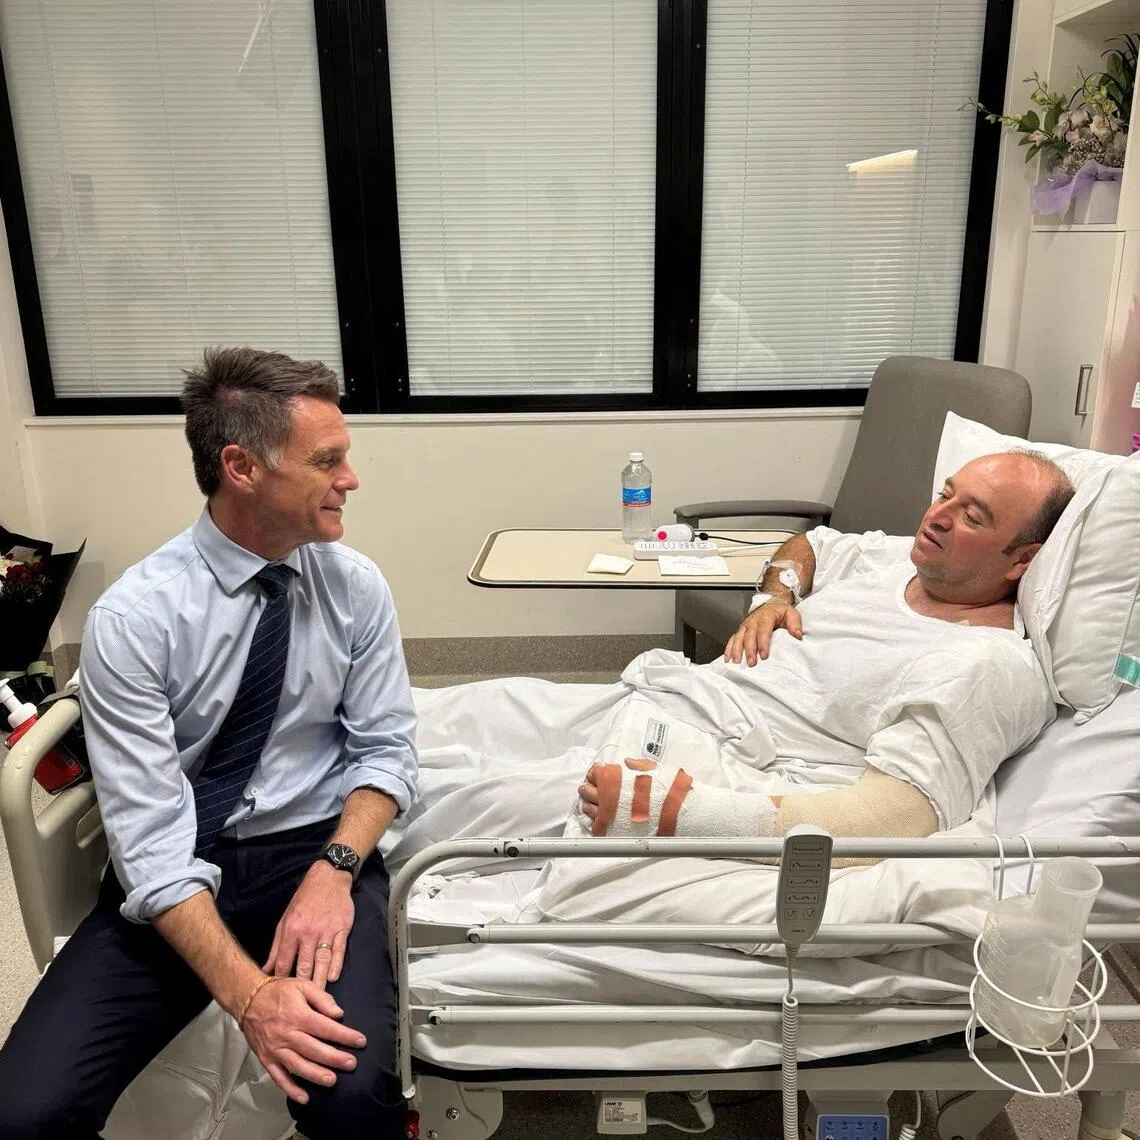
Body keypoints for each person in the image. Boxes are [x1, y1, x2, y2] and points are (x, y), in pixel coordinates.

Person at [0, 347, 417, 1140]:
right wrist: (253, 998)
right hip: (185, 866)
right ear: (242, 467)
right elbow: (151, 848)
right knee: (22, 1112)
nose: (350, 479)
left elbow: (386, 751)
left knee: (353, 1093)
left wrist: (336, 871)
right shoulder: (136, 620)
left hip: (316, 852)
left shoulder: (353, 585)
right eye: (327, 460)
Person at [578, 450, 1075, 844]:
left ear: (1021, 560)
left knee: (507, 794)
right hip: (688, 697)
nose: (937, 517)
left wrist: (674, 813)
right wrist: (773, 598)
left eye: (972, 516)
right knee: (500, 715)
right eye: (945, 494)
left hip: (715, 753)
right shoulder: (897, 557)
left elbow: (891, 820)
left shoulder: (988, 665)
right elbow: (811, 543)